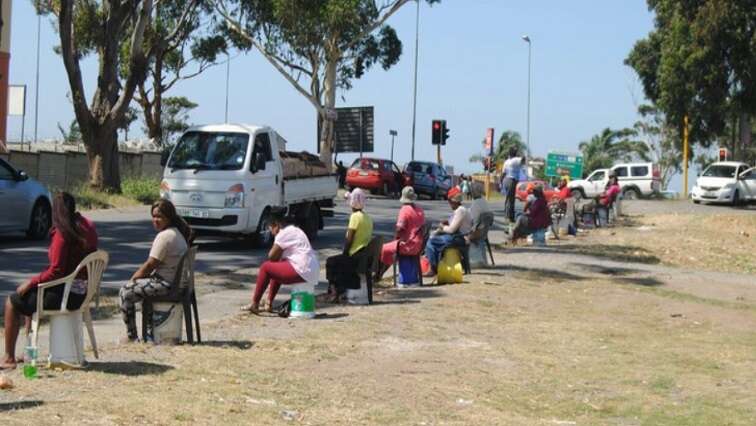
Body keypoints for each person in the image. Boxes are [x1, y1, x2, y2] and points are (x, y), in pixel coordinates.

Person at [3, 192, 97, 369]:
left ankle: (8, 358)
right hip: (83, 291)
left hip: (67, 295)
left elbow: (56, 271)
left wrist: (31, 282)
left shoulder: (63, 233)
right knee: (30, 298)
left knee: (12, 302)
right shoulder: (87, 226)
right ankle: (28, 350)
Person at [120, 199, 193, 341]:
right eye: (153, 216)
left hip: (167, 285)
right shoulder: (177, 233)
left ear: (169, 217)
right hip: (175, 284)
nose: (156, 220)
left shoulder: (165, 236)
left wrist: (133, 279)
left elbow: (150, 265)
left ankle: (132, 337)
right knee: (139, 288)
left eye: (159, 216)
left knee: (125, 292)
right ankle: (149, 333)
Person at [242, 214, 320, 314]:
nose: (271, 232)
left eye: (270, 228)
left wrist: (275, 245)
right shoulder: (296, 230)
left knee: (265, 267)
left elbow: (271, 256)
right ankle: (269, 302)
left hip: (302, 270)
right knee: (276, 265)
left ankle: (254, 303)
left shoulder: (283, 234)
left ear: (277, 226)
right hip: (312, 270)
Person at [324, 189, 374, 301]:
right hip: (364, 255)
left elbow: (349, 239)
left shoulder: (355, 217)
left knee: (331, 262)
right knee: (337, 262)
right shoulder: (368, 218)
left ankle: (334, 292)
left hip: (355, 255)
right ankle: (339, 292)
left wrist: (345, 253)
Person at [377, 186, 426, 279]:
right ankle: (379, 274)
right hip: (418, 245)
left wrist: (395, 239)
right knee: (391, 248)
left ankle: (378, 274)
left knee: (383, 249)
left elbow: (399, 229)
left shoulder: (404, 210)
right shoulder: (420, 210)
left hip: (408, 245)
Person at [423, 187, 473, 277]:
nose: (449, 204)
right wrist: (446, 224)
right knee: (433, 241)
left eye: (449, 201)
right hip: (459, 237)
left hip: (459, 238)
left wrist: (442, 227)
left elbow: (451, 230)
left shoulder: (460, 211)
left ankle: (433, 269)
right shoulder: (461, 210)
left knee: (430, 242)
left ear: (452, 201)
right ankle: (435, 266)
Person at [502, 147, 526, 223]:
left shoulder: (506, 161)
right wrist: (520, 154)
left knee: (507, 199)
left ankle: (507, 215)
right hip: (511, 180)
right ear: (515, 153)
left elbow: (503, 173)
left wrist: (500, 182)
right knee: (511, 200)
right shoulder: (516, 160)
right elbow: (523, 159)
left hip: (506, 180)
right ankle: (510, 217)